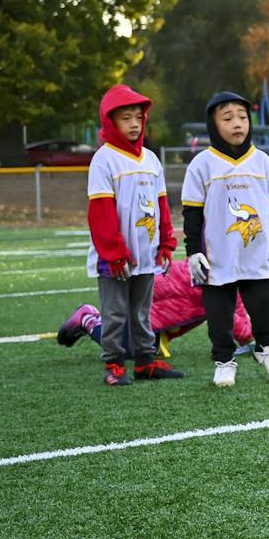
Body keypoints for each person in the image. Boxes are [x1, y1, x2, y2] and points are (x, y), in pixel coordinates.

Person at [181, 90, 269, 388]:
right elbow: (191, 214)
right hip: (218, 257)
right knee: (219, 315)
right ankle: (224, 361)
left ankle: (266, 349)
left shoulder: (264, 162)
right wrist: (193, 251)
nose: (237, 123)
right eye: (227, 118)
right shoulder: (202, 164)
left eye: (242, 117)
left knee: (264, 305)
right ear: (214, 124)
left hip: (257, 255)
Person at [84, 85, 182, 385]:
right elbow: (100, 212)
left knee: (142, 312)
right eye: (126, 118)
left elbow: (162, 205)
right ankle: (113, 365)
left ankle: (144, 361)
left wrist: (166, 243)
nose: (134, 124)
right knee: (115, 314)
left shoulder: (151, 160)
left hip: (147, 252)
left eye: (138, 118)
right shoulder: (104, 159)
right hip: (115, 257)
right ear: (111, 122)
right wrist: (114, 254)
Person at [58, 258, 255, 358]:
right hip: (143, 310)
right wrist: (255, 340)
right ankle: (89, 319)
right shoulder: (213, 282)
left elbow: (237, 308)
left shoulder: (210, 270)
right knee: (126, 351)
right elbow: (230, 316)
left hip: (148, 309)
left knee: (145, 348)